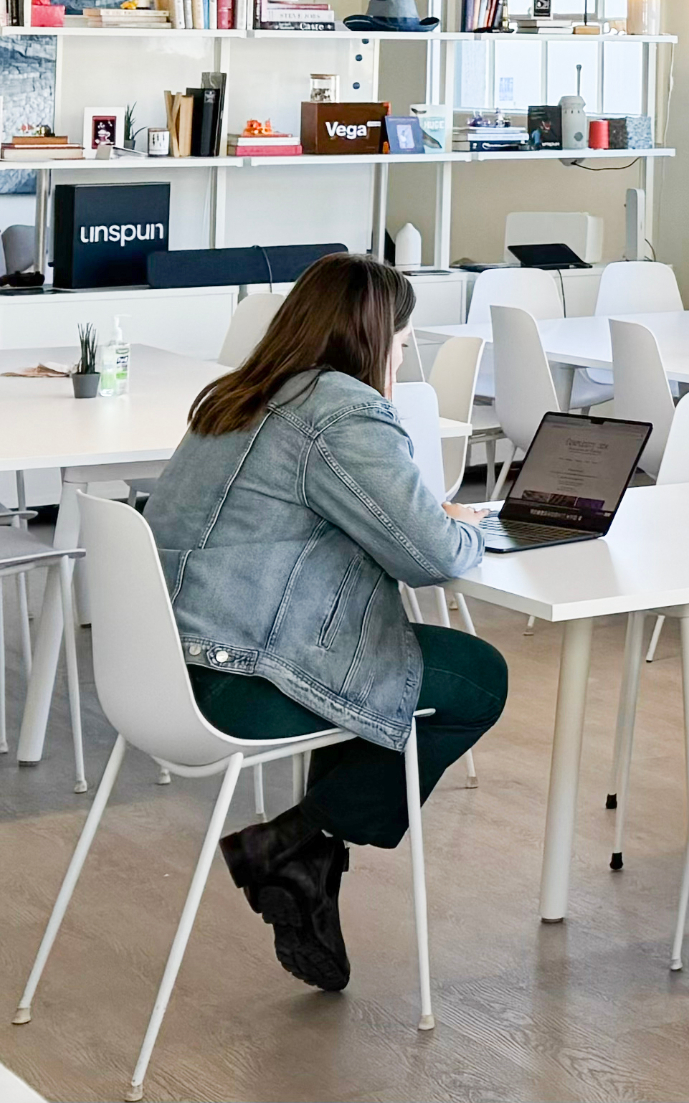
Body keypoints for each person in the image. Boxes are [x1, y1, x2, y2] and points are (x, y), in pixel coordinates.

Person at [146, 252, 505, 993]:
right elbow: (431, 559)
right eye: (403, 342)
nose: (404, 358)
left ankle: (307, 854)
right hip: (240, 677)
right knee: (475, 677)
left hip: (166, 664)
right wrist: (472, 527)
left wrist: (421, 518)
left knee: (372, 661)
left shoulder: (239, 395)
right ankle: (299, 840)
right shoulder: (342, 410)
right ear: (373, 337)